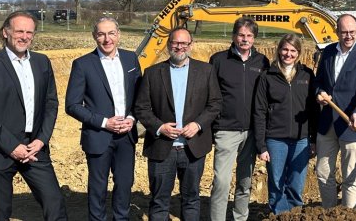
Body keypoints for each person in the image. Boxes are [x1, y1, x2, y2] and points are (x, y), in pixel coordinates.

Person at [0, 11, 68, 220]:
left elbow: (51, 103)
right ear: (6, 32)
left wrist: (42, 139)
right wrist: (12, 146)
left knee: (55, 203)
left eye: (29, 32)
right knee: (0, 213)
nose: (24, 36)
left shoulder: (42, 62)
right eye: (19, 31)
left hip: (35, 148)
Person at [133, 28, 222, 221]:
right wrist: (159, 127)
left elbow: (215, 104)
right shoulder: (152, 73)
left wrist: (198, 124)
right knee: (159, 201)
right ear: (168, 44)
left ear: (191, 45)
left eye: (184, 43)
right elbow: (141, 108)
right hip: (161, 148)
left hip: (193, 148)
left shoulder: (206, 71)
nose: (179, 47)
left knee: (191, 199)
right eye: (175, 43)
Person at [65, 17, 141, 221]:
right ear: (94, 36)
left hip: (126, 136)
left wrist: (132, 118)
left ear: (119, 35)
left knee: (125, 184)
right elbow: (72, 105)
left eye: (111, 33)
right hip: (98, 135)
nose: (107, 39)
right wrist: (104, 122)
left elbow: (139, 97)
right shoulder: (82, 64)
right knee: (98, 188)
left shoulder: (131, 59)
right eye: (101, 34)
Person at [313, 14, 356, 208]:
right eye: (344, 32)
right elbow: (318, 81)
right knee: (323, 172)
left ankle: (348, 215)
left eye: (352, 32)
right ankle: (329, 212)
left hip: (352, 124)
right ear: (336, 32)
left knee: (350, 175)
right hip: (327, 123)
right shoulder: (328, 52)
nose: (348, 36)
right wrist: (319, 92)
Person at [209, 18, 269, 221]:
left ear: (254, 38)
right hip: (226, 130)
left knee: (245, 182)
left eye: (249, 36)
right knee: (221, 182)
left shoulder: (261, 62)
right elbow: (211, 94)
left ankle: (240, 218)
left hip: (252, 131)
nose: (245, 39)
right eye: (241, 35)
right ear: (234, 36)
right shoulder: (218, 60)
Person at [253, 34, 317, 215]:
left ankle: (295, 214)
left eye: (293, 50)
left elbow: (313, 111)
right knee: (276, 184)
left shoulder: (307, 74)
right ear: (279, 50)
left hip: (301, 140)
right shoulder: (267, 77)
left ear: (299, 53)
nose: (288, 54)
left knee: (296, 183)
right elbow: (259, 112)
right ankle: (280, 216)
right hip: (275, 140)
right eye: (285, 49)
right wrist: (261, 145)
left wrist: (313, 140)